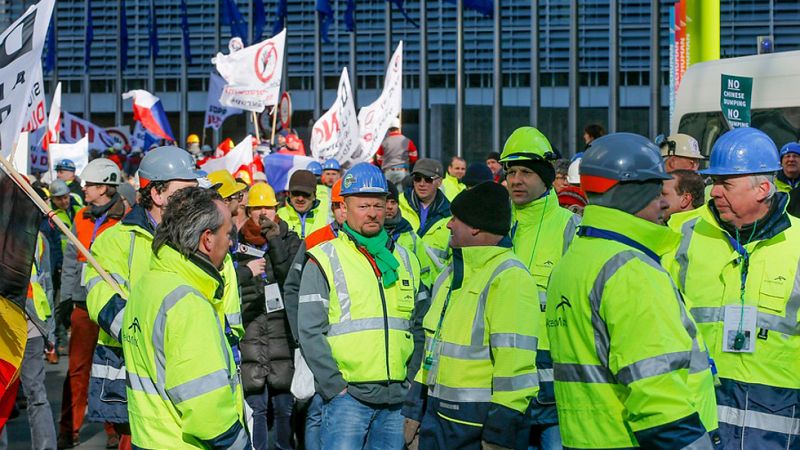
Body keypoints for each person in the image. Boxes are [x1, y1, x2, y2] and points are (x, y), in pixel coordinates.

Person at [548, 132, 719, 449]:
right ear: (630, 195)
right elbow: (657, 394)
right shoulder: (631, 271)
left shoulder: (575, 259)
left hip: (587, 438)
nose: (664, 202)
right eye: (656, 192)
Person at [665, 127, 800, 448]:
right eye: (713, 182)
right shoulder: (679, 232)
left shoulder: (797, 242)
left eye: (726, 183)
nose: (714, 192)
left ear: (763, 188)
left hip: (777, 420)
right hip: (693, 410)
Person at [298, 162, 426, 450]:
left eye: (378, 205)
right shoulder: (324, 257)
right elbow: (309, 330)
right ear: (345, 208)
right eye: (363, 205)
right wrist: (335, 387)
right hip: (348, 399)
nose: (372, 213)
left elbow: (418, 326)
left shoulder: (405, 259)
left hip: (396, 398)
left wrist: (409, 378)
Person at [82, 146, 204, 450]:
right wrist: (143, 332)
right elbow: (100, 295)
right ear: (158, 194)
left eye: (195, 191)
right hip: (133, 374)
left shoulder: (201, 236)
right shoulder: (115, 240)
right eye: (184, 191)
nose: (194, 200)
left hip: (190, 369)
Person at [403, 182, 540, 450]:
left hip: (476, 428)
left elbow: (515, 368)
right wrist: (414, 409)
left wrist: (499, 435)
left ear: (476, 226)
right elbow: (432, 349)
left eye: (456, 219)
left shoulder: (510, 278)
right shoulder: (450, 274)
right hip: (438, 422)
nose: (448, 225)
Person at [122, 187, 250, 449]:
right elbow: (208, 410)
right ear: (207, 239)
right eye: (228, 234)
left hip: (149, 438)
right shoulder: (187, 302)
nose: (231, 243)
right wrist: (241, 444)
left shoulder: (148, 283)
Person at [498, 126, 581, 448]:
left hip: (555, 382)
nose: (517, 180)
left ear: (546, 178)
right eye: (512, 172)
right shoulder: (496, 225)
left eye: (527, 172)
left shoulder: (569, 227)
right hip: (505, 378)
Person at [58, 159, 126, 449]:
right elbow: (72, 260)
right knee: (77, 369)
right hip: (83, 305)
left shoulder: (125, 218)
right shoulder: (82, 217)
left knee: (111, 368)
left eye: (90, 185)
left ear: (105, 188)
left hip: (111, 306)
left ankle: (114, 426)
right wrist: (64, 300)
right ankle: (68, 430)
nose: (84, 189)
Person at [236, 182, 301, 450]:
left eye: (269, 207)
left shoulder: (290, 239)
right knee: (256, 406)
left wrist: (274, 241)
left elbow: (290, 279)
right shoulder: (235, 242)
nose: (263, 213)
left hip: (281, 329)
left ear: (277, 209)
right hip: (251, 328)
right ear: (248, 210)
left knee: (284, 404)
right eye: (257, 207)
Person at [283, 179, 346, 450]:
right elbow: (291, 287)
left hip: (352, 347)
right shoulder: (316, 239)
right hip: (318, 342)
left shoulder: (376, 242)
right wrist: (302, 337)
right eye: (340, 206)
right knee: (316, 408)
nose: (346, 212)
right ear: (334, 208)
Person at [20, 232, 58, 450]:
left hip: (30, 322)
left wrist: (50, 331)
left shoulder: (38, 237)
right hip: (10, 325)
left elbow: (46, 283)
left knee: (35, 393)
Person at [42, 179, 82, 357]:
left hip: (77, 263)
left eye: (65, 197)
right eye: (59, 199)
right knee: (59, 304)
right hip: (60, 267)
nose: (64, 201)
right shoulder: (50, 217)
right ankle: (59, 341)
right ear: (54, 200)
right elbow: (54, 245)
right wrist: (58, 266)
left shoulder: (77, 210)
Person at [399, 159, 453, 286]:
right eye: (418, 178)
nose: (422, 184)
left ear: (439, 182)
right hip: (401, 283)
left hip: (434, 288)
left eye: (428, 179)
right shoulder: (396, 206)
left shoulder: (451, 215)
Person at [277, 170, 329, 239]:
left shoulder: (327, 216)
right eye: (296, 193)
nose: (300, 199)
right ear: (289, 194)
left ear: (314, 196)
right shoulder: (278, 215)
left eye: (305, 194)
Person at [376, 118, 419, 188]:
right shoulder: (407, 141)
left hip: (388, 172)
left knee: (389, 194)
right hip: (402, 171)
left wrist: (386, 164)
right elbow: (414, 157)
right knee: (402, 194)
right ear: (399, 128)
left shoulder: (384, 142)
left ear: (389, 129)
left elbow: (379, 158)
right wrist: (407, 162)